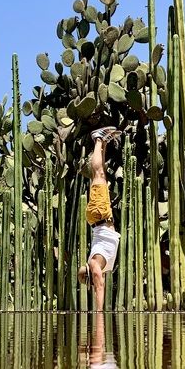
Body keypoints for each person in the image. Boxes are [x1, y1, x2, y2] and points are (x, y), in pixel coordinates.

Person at [77, 126, 122, 311]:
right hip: (103, 216)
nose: (96, 279)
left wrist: (99, 311)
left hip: (99, 214)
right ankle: (103, 142)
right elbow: (99, 282)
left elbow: (100, 286)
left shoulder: (94, 265)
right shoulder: (100, 266)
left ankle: (97, 139)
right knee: (101, 174)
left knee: (99, 174)